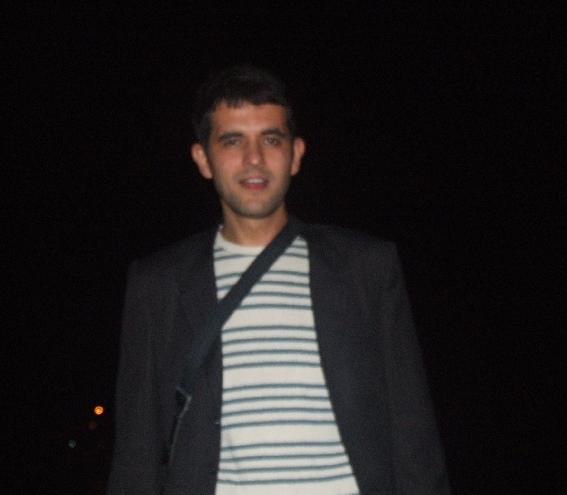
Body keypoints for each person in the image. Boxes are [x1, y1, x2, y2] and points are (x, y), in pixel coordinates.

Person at [107, 65, 450, 495]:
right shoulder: (159, 284)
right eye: (232, 141)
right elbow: (136, 453)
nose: (254, 158)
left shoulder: (366, 268)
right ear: (203, 159)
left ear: (296, 154)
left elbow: (414, 434)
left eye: (271, 139)